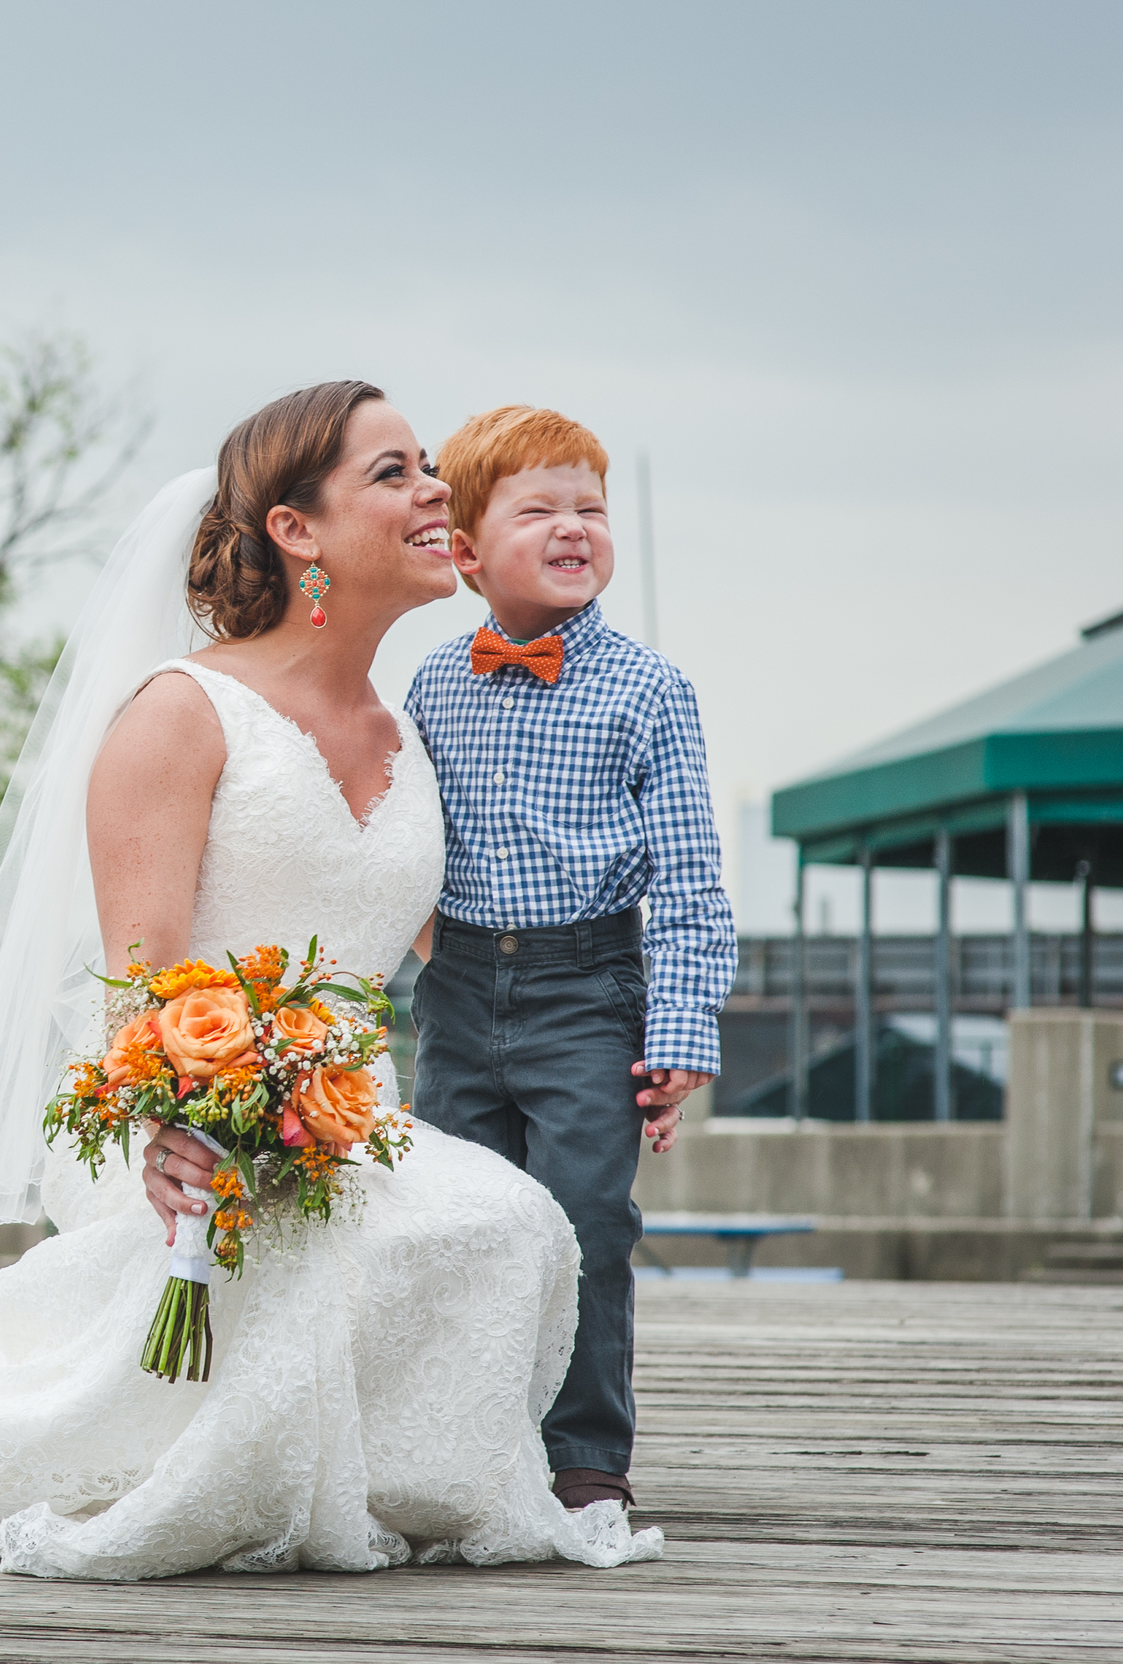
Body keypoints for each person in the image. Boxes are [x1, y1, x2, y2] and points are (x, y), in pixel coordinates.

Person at [0, 382, 662, 1580]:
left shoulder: (417, 726)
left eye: (429, 465)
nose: (435, 488)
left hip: (360, 1115)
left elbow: (467, 947)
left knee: (516, 1222)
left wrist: (633, 1032)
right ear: (296, 528)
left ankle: (435, 1461)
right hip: (191, 1110)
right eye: (392, 472)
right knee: (387, 1251)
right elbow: (142, 976)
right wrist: (182, 1119)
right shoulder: (183, 713)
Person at [403, 405, 733, 1512]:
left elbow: (690, 882)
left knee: (584, 1222)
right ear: (464, 551)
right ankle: (461, 1443)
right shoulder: (431, 686)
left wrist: (676, 1034)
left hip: (588, 989)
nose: (572, 526)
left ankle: (584, 1458)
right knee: (456, 1220)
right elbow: (408, 840)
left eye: (589, 507)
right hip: (453, 993)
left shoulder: (649, 690)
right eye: (537, 507)